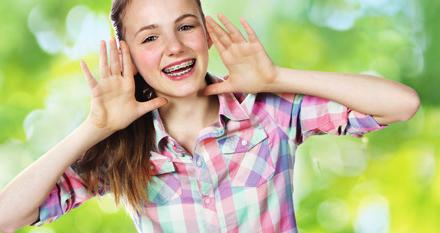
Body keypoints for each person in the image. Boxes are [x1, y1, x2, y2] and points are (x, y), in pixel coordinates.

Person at [0, 0, 420, 232]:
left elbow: (401, 104)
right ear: (128, 56)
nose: (174, 47)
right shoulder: (121, 152)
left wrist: (276, 77)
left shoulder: (268, 112)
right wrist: (96, 128)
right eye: (150, 37)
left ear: (205, 33)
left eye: (186, 26)